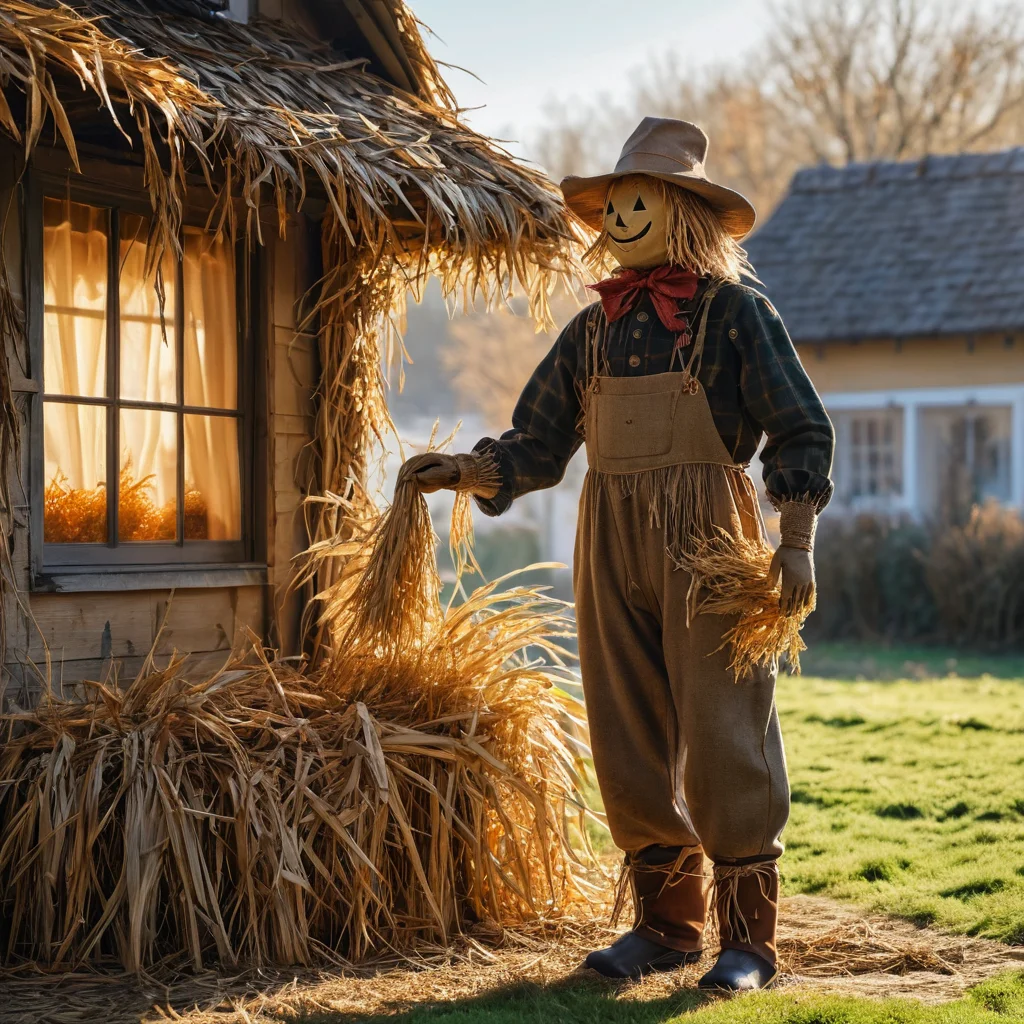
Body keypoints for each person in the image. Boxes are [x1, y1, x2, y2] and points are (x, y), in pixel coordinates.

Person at [403, 118, 834, 992]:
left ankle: (748, 942)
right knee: (625, 729)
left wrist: (794, 544)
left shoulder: (737, 313)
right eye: (616, 204)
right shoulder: (591, 330)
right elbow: (540, 441)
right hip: (608, 538)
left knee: (725, 735)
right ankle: (666, 927)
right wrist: (464, 471)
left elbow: (800, 427)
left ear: (683, 211)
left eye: (641, 200)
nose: (623, 214)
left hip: (711, 543)